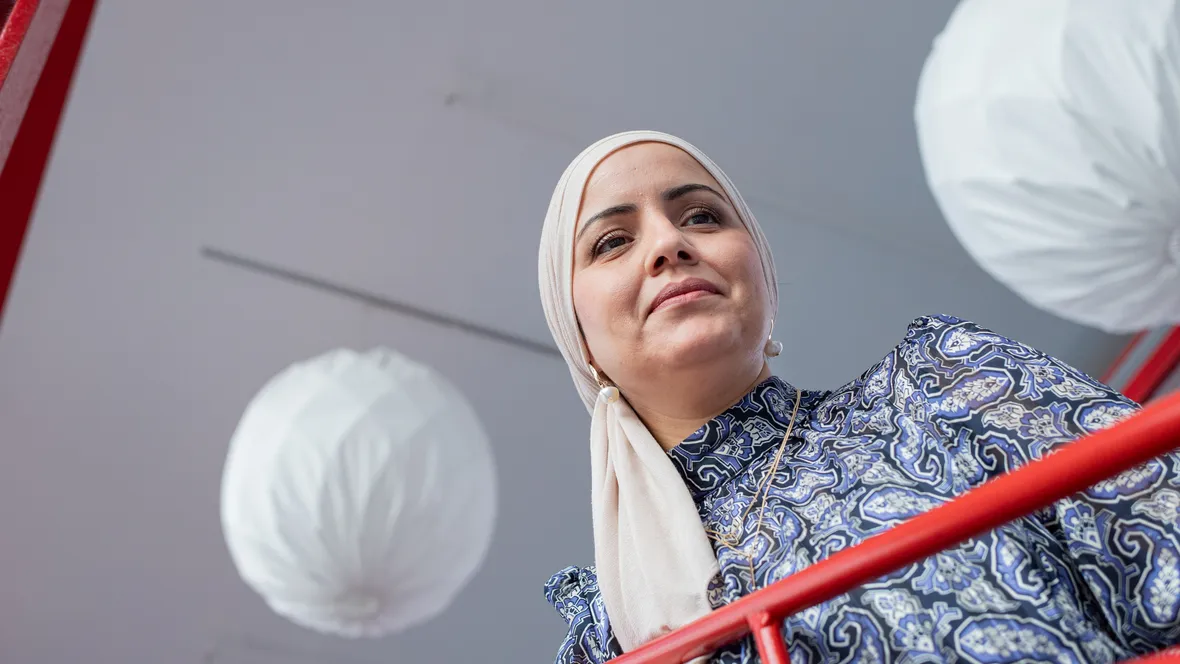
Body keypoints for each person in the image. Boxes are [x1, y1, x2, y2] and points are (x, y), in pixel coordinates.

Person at [536, 130, 1180, 663]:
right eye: (612, 241)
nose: (668, 244)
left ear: (758, 268)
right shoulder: (607, 628)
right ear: (578, 337)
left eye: (702, 216)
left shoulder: (944, 387)